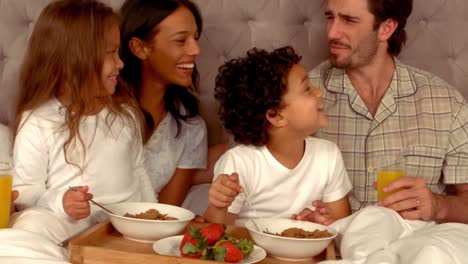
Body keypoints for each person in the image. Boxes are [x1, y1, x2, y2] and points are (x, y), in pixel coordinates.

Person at [306, 0, 468, 224]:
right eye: (329, 17)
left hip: (413, 253)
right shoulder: (299, 97)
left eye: (349, 20)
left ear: (386, 29)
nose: (332, 32)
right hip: (330, 254)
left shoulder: (444, 102)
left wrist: (438, 205)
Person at [11, 0, 155, 243]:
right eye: (110, 53)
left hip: (124, 224)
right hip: (70, 225)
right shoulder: (39, 121)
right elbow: (24, 192)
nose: (120, 63)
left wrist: (154, 216)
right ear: (74, 61)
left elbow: (139, 171)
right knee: (30, 225)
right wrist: (61, 201)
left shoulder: (125, 113)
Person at [204, 46, 352, 226]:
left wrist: (322, 223)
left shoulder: (328, 155)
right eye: (307, 89)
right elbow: (215, 231)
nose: (319, 92)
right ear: (276, 116)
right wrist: (218, 205)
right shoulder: (240, 162)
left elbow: (342, 228)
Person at [118, 0, 208, 213]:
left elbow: (164, 214)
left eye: (195, 38)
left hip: (137, 236)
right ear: (139, 48)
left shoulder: (190, 127)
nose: (196, 50)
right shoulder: (101, 111)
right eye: (181, 40)